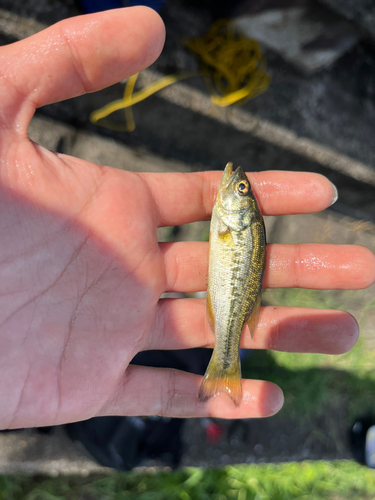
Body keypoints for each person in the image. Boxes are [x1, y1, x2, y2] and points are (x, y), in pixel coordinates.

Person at [0, 6, 373, 430]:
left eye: (241, 191)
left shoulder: (234, 222)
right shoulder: (233, 221)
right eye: (241, 189)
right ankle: (225, 361)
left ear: (241, 210)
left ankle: (224, 360)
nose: (236, 183)